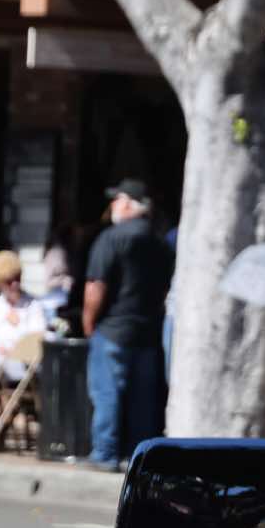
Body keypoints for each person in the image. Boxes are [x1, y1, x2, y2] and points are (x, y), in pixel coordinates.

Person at [83, 178, 175, 469]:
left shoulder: (112, 237)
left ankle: (105, 453)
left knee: (106, 393)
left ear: (127, 204)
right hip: (147, 331)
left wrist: (88, 321)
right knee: (142, 400)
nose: (112, 205)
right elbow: (164, 289)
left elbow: (96, 286)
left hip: (113, 329)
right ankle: (140, 458)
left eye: (116, 199)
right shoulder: (160, 243)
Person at [0, 251, 49, 381]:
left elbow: (37, 338)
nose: (15, 284)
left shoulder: (33, 305)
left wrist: (18, 326)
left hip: (25, 366)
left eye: (17, 278)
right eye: (9, 281)